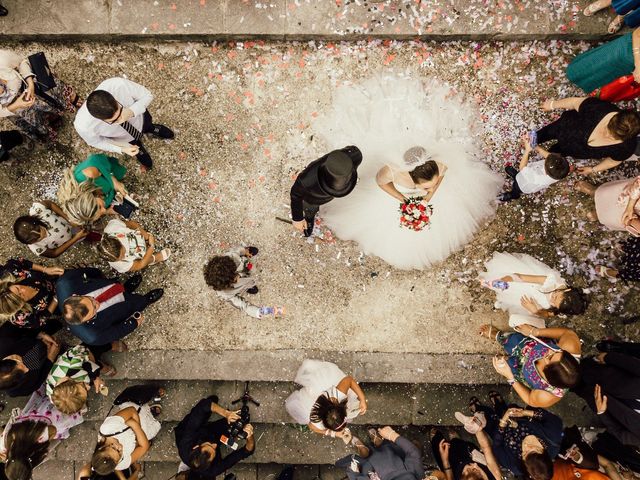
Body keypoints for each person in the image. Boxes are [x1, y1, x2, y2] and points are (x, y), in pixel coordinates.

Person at [310, 75, 502, 269]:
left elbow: (441, 176)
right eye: (427, 185)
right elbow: (381, 183)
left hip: (420, 198)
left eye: (434, 181)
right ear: (412, 178)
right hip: (402, 196)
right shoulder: (391, 172)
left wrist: (428, 196)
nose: (433, 185)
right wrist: (403, 199)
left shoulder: (439, 164)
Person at [74, 77, 174, 169]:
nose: (121, 119)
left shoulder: (118, 85)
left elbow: (147, 95)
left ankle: (151, 128)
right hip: (123, 138)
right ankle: (138, 149)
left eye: (120, 111)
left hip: (140, 118)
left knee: (147, 124)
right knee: (134, 143)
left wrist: (131, 111)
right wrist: (121, 149)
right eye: (113, 121)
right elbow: (96, 142)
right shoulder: (83, 126)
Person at [455, 392, 563, 478]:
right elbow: (550, 418)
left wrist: (502, 423)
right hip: (519, 417)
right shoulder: (553, 440)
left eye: (524, 454)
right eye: (533, 449)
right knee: (504, 409)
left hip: (499, 432)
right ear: (544, 452)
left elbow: (496, 447)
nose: (525, 446)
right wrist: (525, 413)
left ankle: (479, 409)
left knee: (489, 420)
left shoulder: (515, 466)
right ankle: (498, 403)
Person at [479, 324, 582, 407]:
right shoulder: (570, 347)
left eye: (550, 357)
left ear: (548, 376)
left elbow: (530, 399)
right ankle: (500, 336)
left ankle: (508, 360)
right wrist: (535, 331)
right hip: (529, 347)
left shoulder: (547, 395)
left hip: (522, 371)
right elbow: (567, 333)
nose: (550, 350)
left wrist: (510, 378)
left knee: (507, 366)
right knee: (513, 339)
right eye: (557, 351)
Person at [56, 268, 163, 347]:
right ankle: (147, 299)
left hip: (106, 286)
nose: (96, 303)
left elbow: (89, 272)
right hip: (120, 309)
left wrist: (100, 274)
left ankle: (126, 287)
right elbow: (116, 332)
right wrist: (133, 323)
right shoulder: (93, 336)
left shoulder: (65, 282)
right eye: (94, 310)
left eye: (90, 299)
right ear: (85, 321)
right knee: (136, 303)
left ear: (75, 296)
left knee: (120, 288)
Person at [532, 97, 640, 174]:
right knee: (544, 133)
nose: (606, 134)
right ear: (614, 116)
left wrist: (593, 169)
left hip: (572, 150)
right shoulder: (600, 108)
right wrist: (552, 105)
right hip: (563, 127)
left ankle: (545, 162)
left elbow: (614, 160)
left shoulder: (627, 147)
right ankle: (532, 141)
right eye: (608, 128)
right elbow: (575, 102)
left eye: (614, 137)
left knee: (555, 153)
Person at [479, 252, 587, 328]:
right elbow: (521, 277)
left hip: (529, 300)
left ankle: (504, 298)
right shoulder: (552, 281)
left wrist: (535, 311)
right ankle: (501, 288)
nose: (552, 302)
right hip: (526, 283)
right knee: (506, 285)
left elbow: (548, 314)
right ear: (566, 290)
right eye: (556, 297)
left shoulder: (559, 307)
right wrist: (504, 280)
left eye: (555, 304)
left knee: (513, 298)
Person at [0, 49, 80, 141]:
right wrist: (17, 104)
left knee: (51, 90)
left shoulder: (2, 59)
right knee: (37, 120)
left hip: (27, 84)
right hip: (14, 107)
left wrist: (30, 84)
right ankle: (50, 120)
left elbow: (21, 62)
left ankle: (68, 99)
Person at [86, 385, 163, 476]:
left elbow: (132, 410)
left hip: (135, 409)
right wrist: (135, 426)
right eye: (119, 453)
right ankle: (150, 413)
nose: (120, 447)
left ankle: (152, 397)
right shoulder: (121, 464)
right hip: (137, 426)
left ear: (101, 448)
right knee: (147, 422)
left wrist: (138, 434)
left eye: (113, 447)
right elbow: (144, 447)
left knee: (148, 395)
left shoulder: (108, 428)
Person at [174, 394, 255, 479]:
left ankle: (209, 414)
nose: (215, 445)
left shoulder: (186, 442)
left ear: (196, 447)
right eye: (214, 450)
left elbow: (204, 405)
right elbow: (247, 451)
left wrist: (226, 413)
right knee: (238, 422)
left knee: (206, 406)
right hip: (212, 435)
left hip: (192, 430)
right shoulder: (213, 470)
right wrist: (249, 436)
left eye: (210, 445)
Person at [290, 146, 362, 237]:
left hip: (327, 193)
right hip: (312, 197)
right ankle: (309, 215)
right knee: (310, 206)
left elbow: (352, 154)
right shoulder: (307, 180)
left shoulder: (353, 156)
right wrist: (297, 219)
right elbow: (295, 194)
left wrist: (348, 177)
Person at [571, 352, 640, 447]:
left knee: (571, 382)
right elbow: (634, 365)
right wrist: (609, 357)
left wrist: (602, 412)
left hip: (594, 399)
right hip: (604, 374)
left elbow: (620, 434)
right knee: (575, 362)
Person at [285, 359, 367, 438]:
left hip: (324, 390)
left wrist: (362, 399)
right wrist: (332, 433)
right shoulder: (316, 419)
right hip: (322, 396)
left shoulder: (336, 396)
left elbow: (349, 380)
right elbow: (312, 427)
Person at [567, 26, 640, 93]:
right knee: (597, 64)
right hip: (625, 51)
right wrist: (638, 65)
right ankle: (575, 74)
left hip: (629, 67)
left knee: (608, 77)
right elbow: (637, 33)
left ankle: (589, 85)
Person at [499, 135, 570, 202]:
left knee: (516, 186)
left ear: (545, 172)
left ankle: (514, 194)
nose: (547, 157)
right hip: (527, 173)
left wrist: (527, 151)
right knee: (520, 175)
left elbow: (522, 168)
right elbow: (549, 156)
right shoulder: (559, 172)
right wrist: (536, 147)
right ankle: (516, 176)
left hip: (524, 185)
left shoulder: (539, 177)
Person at [335, 426, 423, 480]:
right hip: (393, 461)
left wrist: (354, 473)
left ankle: (364, 450)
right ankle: (378, 443)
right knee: (388, 452)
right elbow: (413, 453)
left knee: (364, 462)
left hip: (371, 471)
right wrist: (392, 435)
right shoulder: (416, 475)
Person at [0, 258, 64, 329]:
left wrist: (45, 269)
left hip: (52, 279)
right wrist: (55, 300)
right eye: (22, 296)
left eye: (18, 288)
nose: (24, 290)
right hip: (56, 303)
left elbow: (22, 262)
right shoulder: (20, 317)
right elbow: (40, 321)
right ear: (19, 307)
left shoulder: (11, 271)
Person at [0, 321, 60, 397]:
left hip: (32, 334)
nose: (27, 369)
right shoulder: (16, 391)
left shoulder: (4, 338)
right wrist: (51, 358)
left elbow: (22, 324)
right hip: (44, 358)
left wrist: (40, 334)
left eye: (20, 363)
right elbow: (39, 380)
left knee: (55, 325)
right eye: (23, 372)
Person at [46, 344, 107, 415]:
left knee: (97, 355)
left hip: (80, 357)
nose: (89, 387)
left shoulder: (73, 363)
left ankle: (102, 363)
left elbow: (84, 349)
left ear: (66, 379)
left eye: (83, 386)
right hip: (80, 375)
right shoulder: (56, 398)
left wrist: (95, 376)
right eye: (86, 390)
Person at [203, 246, 262, 318]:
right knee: (246, 284)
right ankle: (248, 287)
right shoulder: (225, 294)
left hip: (244, 266)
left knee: (251, 268)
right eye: (234, 280)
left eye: (235, 275)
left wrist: (244, 251)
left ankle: (247, 256)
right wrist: (256, 312)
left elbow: (238, 250)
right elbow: (242, 305)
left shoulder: (231, 257)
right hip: (242, 284)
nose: (237, 278)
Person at [13, 200, 87, 258]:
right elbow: (54, 253)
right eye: (38, 239)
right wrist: (75, 238)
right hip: (69, 239)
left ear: (35, 221)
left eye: (40, 230)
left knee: (85, 223)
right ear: (30, 243)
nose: (43, 235)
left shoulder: (37, 211)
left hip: (68, 222)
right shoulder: (35, 247)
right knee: (84, 233)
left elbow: (50, 204)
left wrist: (69, 220)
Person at [575, 175, 640, 237]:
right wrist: (630, 206)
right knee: (609, 194)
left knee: (619, 217)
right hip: (631, 194)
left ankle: (601, 215)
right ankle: (594, 192)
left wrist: (632, 221)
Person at [98, 219, 169, 273]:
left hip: (136, 237)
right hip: (136, 256)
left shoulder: (113, 228)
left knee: (144, 240)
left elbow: (132, 224)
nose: (124, 256)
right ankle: (153, 259)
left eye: (123, 252)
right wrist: (151, 247)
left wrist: (145, 236)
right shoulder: (119, 265)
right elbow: (140, 264)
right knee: (145, 259)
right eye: (121, 258)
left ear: (118, 241)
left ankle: (144, 242)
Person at [430, 428, 501, 480]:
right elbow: (486, 447)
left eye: (470, 470)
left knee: (438, 447)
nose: (475, 464)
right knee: (461, 445)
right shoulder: (496, 477)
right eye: (479, 472)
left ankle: (436, 438)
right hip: (468, 453)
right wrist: (477, 428)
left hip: (454, 468)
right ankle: (455, 440)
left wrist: (444, 459)